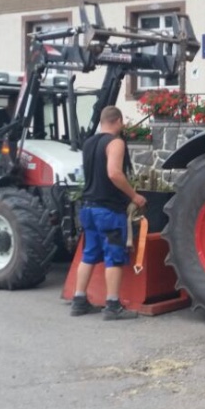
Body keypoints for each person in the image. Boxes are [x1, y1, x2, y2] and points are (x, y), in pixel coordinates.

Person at [71, 106, 148, 320]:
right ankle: (113, 305)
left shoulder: (88, 143)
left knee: (89, 254)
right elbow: (114, 173)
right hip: (109, 210)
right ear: (119, 121)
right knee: (114, 256)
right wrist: (134, 196)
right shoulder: (115, 143)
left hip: (88, 208)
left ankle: (79, 301)